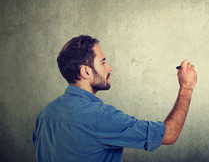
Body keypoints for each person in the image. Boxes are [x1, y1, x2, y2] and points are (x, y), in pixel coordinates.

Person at [32, 35, 197, 162]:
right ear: (86, 72)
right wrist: (186, 87)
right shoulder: (101, 118)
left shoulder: (45, 114)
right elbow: (169, 135)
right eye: (103, 62)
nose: (109, 68)